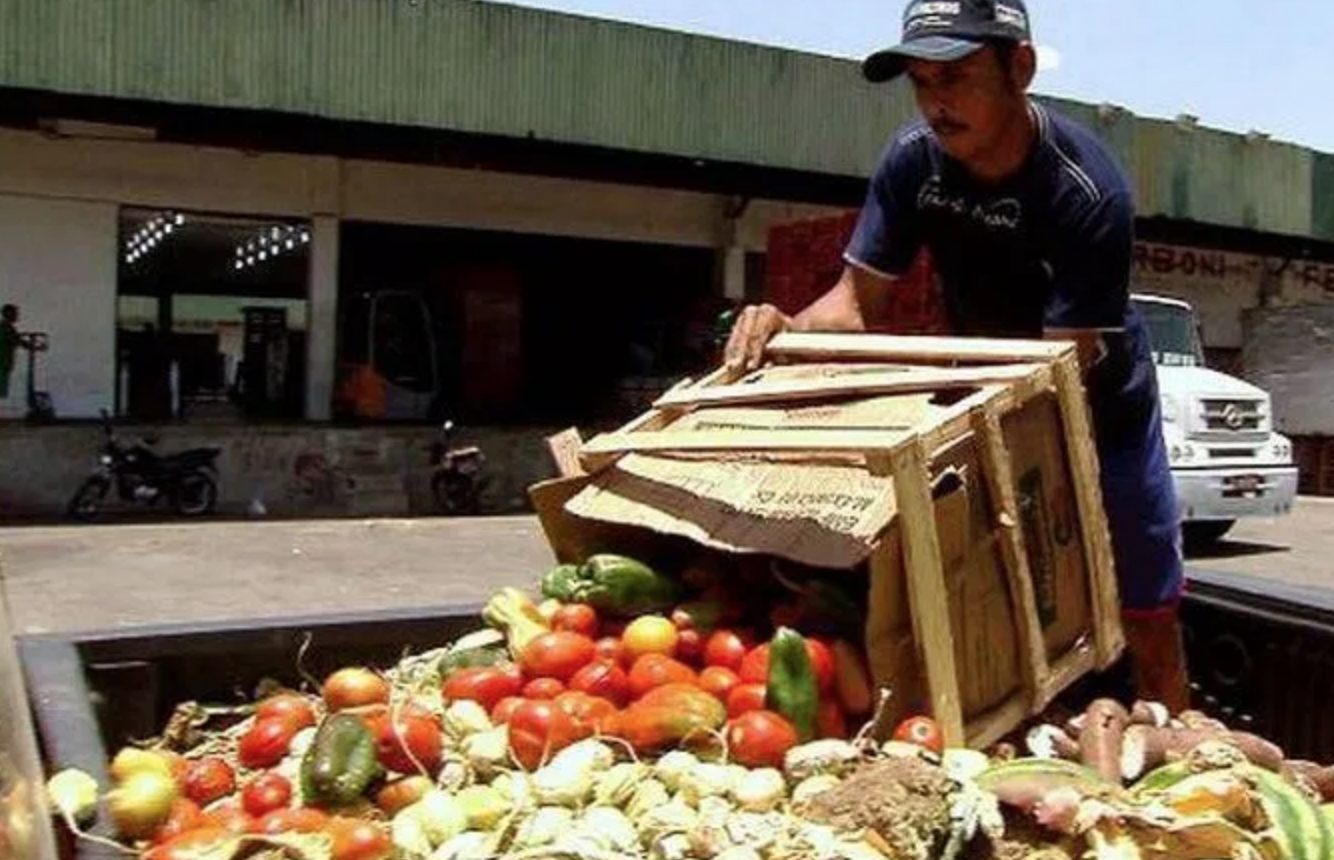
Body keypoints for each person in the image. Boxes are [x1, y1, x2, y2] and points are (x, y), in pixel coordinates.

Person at [725, 0, 1189, 710]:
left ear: (1021, 69)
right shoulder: (914, 163)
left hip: (1096, 405)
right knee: (988, 601)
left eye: (959, 78)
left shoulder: (1087, 190)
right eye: (922, 83)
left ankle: (1178, 742)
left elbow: (1057, 367)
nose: (937, 105)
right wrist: (785, 332)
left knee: (1144, 608)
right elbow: (854, 304)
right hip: (983, 391)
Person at [0, 304, 19, 401]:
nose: (17, 316)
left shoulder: (6, 328)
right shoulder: (7, 328)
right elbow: (17, 341)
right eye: (15, 313)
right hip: (3, 363)